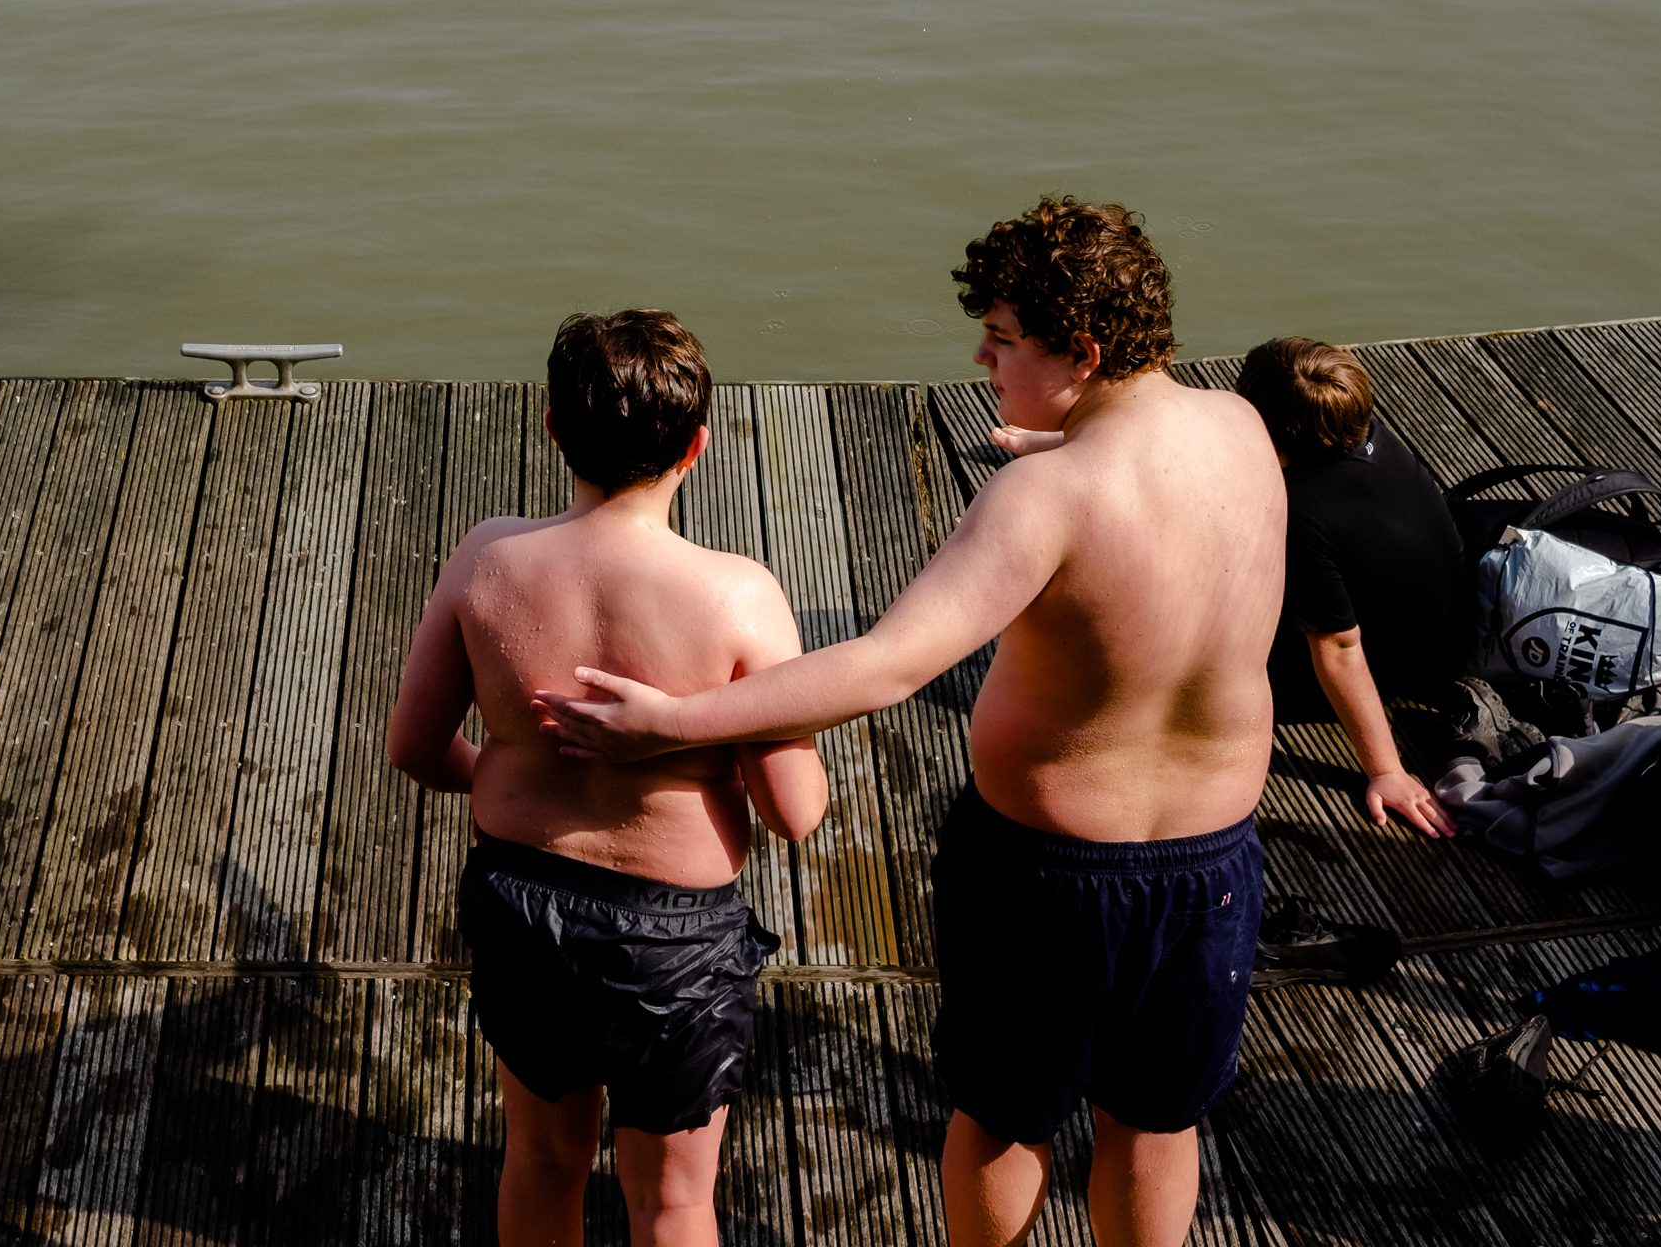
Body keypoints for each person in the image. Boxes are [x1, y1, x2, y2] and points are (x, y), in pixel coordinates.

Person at [539, 202, 1282, 1247]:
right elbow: (1152, 498)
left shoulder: (1044, 499)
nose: (981, 354)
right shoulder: (1241, 430)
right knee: (1158, 1119)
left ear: (1085, 351)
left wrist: (672, 723)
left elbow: (887, 666)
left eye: (1005, 339)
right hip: (1213, 867)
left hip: (1052, 878)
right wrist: (1059, 429)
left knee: (1004, 1123)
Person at [388, 310, 828, 1247]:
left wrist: (498, 779)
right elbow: (795, 812)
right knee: (671, 1200)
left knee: (542, 1160)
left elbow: (416, 748)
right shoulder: (737, 593)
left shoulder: (489, 558)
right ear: (698, 447)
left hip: (523, 896)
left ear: (552, 427)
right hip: (675, 939)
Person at [1237, 337, 1465, 840]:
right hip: (1440, 628)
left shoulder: (1299, 514)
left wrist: (1386, 770)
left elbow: (1340, 648)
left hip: (1381, 666)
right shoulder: (1372, 436)